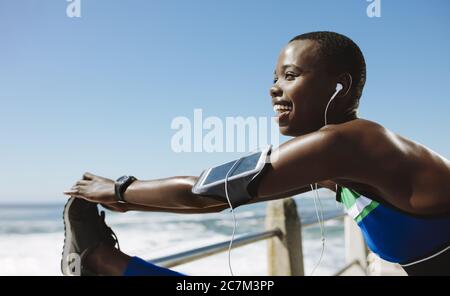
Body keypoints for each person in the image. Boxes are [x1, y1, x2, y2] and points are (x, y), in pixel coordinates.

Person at [62, 31, 450, 276]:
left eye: (291, 76)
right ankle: (101, 260)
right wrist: (131, 206)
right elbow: (231, 198)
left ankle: (100, 261)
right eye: (274, 78)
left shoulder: (349, 143)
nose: (274, 89)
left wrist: (118, 189)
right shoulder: (346, 159)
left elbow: (207, 191)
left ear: (339, 87)